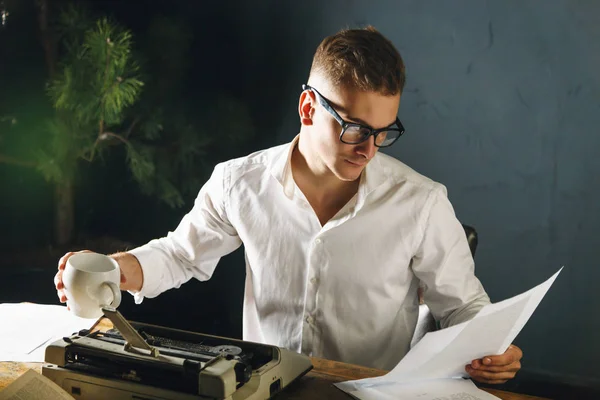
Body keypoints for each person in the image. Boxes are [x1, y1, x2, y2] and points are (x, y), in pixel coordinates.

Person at [55, 26, 522, 384]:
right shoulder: (239, 183)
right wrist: (112, 270)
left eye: (384, 132)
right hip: (260, 387)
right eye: (355, 128)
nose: (369, 149)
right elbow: (179, 255)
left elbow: (465, 308)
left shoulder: (422, 203)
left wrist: (492, 349)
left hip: (367, 393)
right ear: (307, 110)